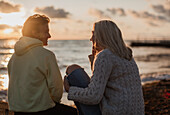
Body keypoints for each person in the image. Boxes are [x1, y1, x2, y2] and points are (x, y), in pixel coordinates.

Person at [64, 20, 145, 115]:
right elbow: (101, 83)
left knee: (72, 69)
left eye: (93, 34)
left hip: (114, 112)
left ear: (101, 36)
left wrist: (69, 90)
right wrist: (94, 60)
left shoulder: (105, 55)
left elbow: (94, 96)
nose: (91, 39)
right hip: (136, 112)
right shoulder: (127, 55)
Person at [7, 14, 77, 115]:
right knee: (74, 112)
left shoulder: (13, 58)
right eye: (46, 32)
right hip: (42, 111)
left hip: (18, 111)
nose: (49, 36)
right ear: (35, 33)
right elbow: (56, 91)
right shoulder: (47, 56)